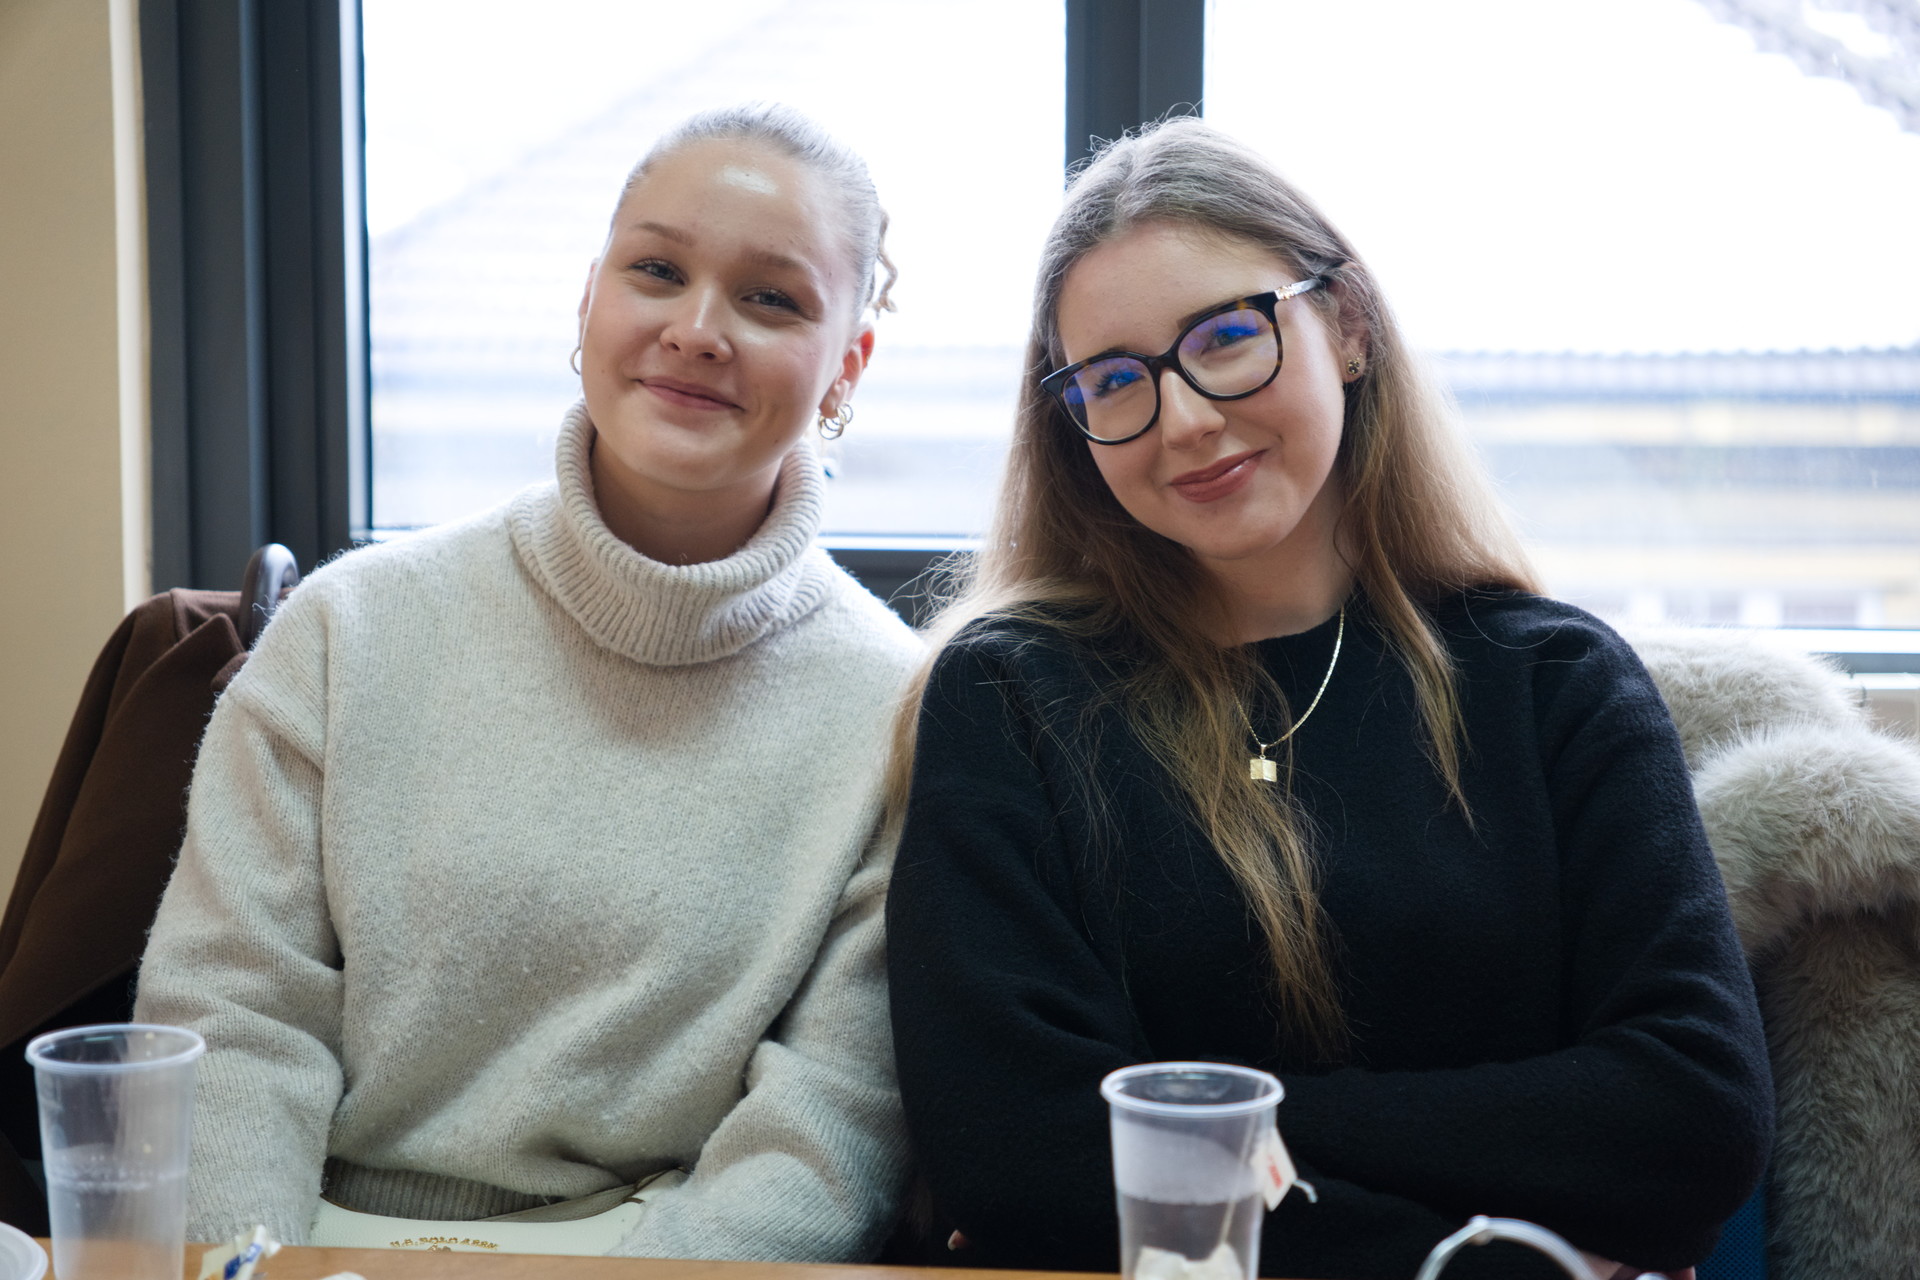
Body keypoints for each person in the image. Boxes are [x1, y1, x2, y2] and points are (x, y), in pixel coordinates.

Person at [885, 118, 1772, 1280]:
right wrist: (1483, 1254)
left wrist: (1196, 1132)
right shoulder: (1009, 695)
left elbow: (1695, 1114)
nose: (1184, 419)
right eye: (1113, 380)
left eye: (1226, 337)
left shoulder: (1554, 681)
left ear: (1346, 324)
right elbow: (1016, 1154)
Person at [135, 104, 921, 1261]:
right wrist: (257, 1262)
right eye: (657, 271)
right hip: (304, 1240)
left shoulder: (896, 711)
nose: (698, 329)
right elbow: (232, 1012)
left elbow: (829, 1124)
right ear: (589, 299)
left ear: (847, 366)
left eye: (771, 298)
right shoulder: (351, 628)